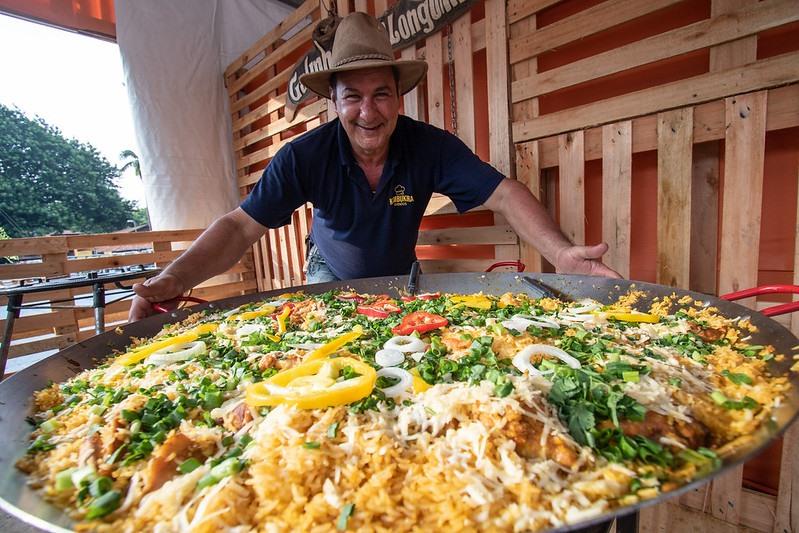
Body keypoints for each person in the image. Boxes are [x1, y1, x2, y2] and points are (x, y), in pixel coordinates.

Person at [129, 12, 619, 321]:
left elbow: (505, 193)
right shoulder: (303, 155)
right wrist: (173, 281)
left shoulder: (431, 147)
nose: (369, 112)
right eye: (354, 97)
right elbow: (239, 227)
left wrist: (560, 254)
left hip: (401, 274)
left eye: (381, 93)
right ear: (334, 102)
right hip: (328, 271)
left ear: (398, 96)